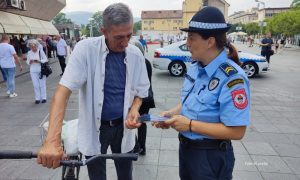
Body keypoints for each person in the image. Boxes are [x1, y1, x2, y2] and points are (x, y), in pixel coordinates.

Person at [37, 3, 150, 180]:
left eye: (129, 35)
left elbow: (141, 92)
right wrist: (52, 141)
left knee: (126, 174)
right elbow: (62, 92)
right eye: (119, 37)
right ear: (104, 31)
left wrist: (134, 109)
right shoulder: (85, 50)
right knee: (97, 175)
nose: (126, 42)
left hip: (123, 127)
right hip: (95, 128)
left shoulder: (135, 54)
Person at [154, 7, 250, 180]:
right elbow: (191, 102)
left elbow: (237, 131)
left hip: (210, 156)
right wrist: (171, 114)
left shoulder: (232, 78)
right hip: (187, 150)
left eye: (192, 38)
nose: (187, 44)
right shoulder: (197, 67)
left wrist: (190, 125)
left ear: (210, 41)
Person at [130, 39, 155, 155]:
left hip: (137, 98)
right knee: (142, 123)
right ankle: (142, 147)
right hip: (147, 98)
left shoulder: (134, 63)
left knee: (130, 121)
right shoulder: (147, 62)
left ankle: (135, 146)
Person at [26, 40, 48, 104]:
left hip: (41, 70)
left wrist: (39, 61)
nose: (33, 48)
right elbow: (27, 61)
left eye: (34, 47)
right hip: (33, 70)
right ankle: (37, 98)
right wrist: (29, 62)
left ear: (37, 46)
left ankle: (44, 97)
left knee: (42, 84)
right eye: (32, 47)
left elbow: (45, 59)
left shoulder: (40, 51)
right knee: (35, 85)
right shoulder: (29, 52)